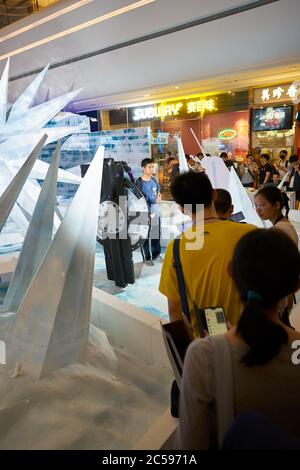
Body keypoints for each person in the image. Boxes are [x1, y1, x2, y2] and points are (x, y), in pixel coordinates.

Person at [176, 228, 300, 450]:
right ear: (296, 286)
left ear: (231, 271)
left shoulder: (204, 356)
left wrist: (220, 348)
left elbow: (190, 446)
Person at [159, 172, 255, 336]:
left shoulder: (175, 249)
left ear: (182, 209)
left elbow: (174, 309)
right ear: (214, 194)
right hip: (250, 341)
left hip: (205, 347)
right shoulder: (251, 234)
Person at [136, 158, 162, 266]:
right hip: (145, 213)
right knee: (145, 236)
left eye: (152, 167)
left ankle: (156, 254)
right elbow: (138, 198)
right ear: (143, 168)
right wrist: (152, 200)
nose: (152, 169)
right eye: (149, 167)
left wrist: (158, 199)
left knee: (156, 234)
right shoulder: (139, 182)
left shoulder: (154, 180)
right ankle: (147, 257)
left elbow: (158, 191)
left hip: (155, 211)